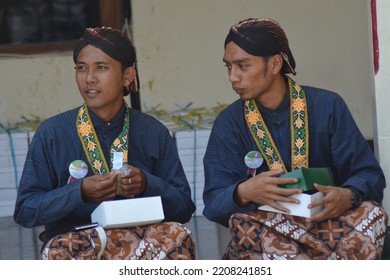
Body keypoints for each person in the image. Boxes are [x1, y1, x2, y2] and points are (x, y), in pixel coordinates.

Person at [203, 18, 388, 260]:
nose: (233, 77)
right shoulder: (229, 123)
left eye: (243, 66)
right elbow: (213, 202)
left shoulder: (327, 106)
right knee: (244, 224)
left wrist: (348, 195)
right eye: (228, 67)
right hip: (271, 230)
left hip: (329, 223)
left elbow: (369, 174)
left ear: (275, 63)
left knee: (372, 213)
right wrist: (243, 192)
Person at [14, 27, 196, 260]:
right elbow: (25, 211)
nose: (89, 78)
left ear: (127, 76)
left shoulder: (153, 131)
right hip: (78, 243)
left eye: (101, 67)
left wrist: (147, 184)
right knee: (59, 252)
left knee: (177, 236)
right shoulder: (52, 133)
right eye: (81, 68)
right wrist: (79, 192)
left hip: (143, 243)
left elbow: (184, 208)